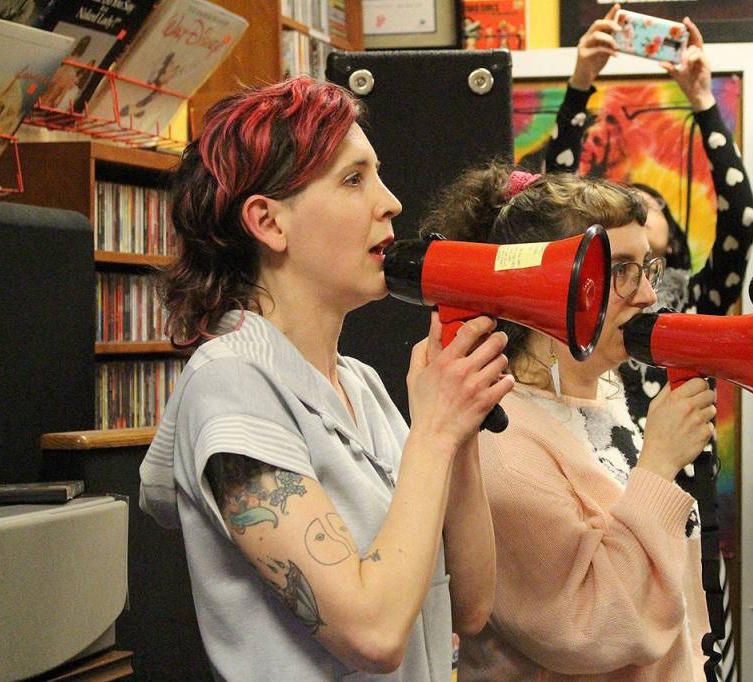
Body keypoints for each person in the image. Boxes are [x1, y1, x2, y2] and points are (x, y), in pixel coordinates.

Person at [138, 77, 511, 680]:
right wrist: (435, 432)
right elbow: (373, 634)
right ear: (268, 222)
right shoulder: (230, 385)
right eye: (353, 179)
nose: (390, 201)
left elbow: (471, 605)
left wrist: (459, 424)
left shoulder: (360, 385)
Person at [421, 166, 718, 680]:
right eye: (620, 269)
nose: (648, 295)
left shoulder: (605, 392)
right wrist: (660, 466)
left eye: (645, 266)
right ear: (548, 282)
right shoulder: (498, 439)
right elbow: (591, 629)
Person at [545, 7, 753, 431]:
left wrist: (702, 99)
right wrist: (580, 82)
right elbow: (551, 206)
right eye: (625, 210)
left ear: (670, 242)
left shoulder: (697, 304)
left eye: (649, 206)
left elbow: (741, 217)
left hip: (685, 484)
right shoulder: (589, 306)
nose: (637, 214)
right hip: (604, 475)